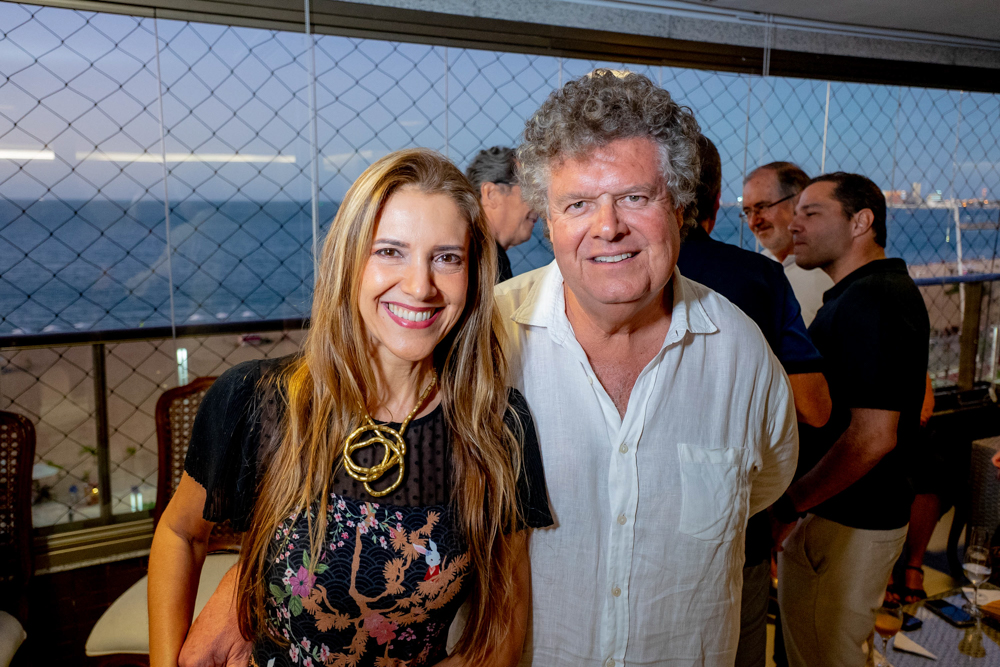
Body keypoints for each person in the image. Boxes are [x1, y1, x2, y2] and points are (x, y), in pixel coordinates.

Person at [148, 148, 552, 667]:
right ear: (350, 261)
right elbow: (180, 533)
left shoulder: (497, 426)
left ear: (474, 274)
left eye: (446, 257)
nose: (419, 286)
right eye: (390, 251)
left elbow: (501, 632)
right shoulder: (257, 400)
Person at [502, 69, 798, 666]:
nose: (607, 226)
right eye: (578, 204)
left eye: (635, 197)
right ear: (549, 222)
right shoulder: (485, 343)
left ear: (679, 206)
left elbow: (766, 482)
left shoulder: (741, 352)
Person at [676, 135, 831, 667]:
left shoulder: (600, 274)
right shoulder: (760, 277)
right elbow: (815, 406)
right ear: (716, 200)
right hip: (733, 518)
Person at [773, 172, 930, 667]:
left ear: (861, 222)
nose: (794, 224)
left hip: (847, 519)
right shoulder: (865, 294)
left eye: (811, 212)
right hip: (844, 515)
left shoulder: (874, 298)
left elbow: (873, 436)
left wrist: (792, 504)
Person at [742, 162, 833, 325]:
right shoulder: (756, 267)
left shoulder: (829, 276)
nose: (753, 221)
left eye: (763, 207)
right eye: (748, 212)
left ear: (800, 202)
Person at [465, 146, 539, 283]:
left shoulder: (484, 255)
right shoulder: (481, 259)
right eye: (528, 189)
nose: (539, 202)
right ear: (491, 194)